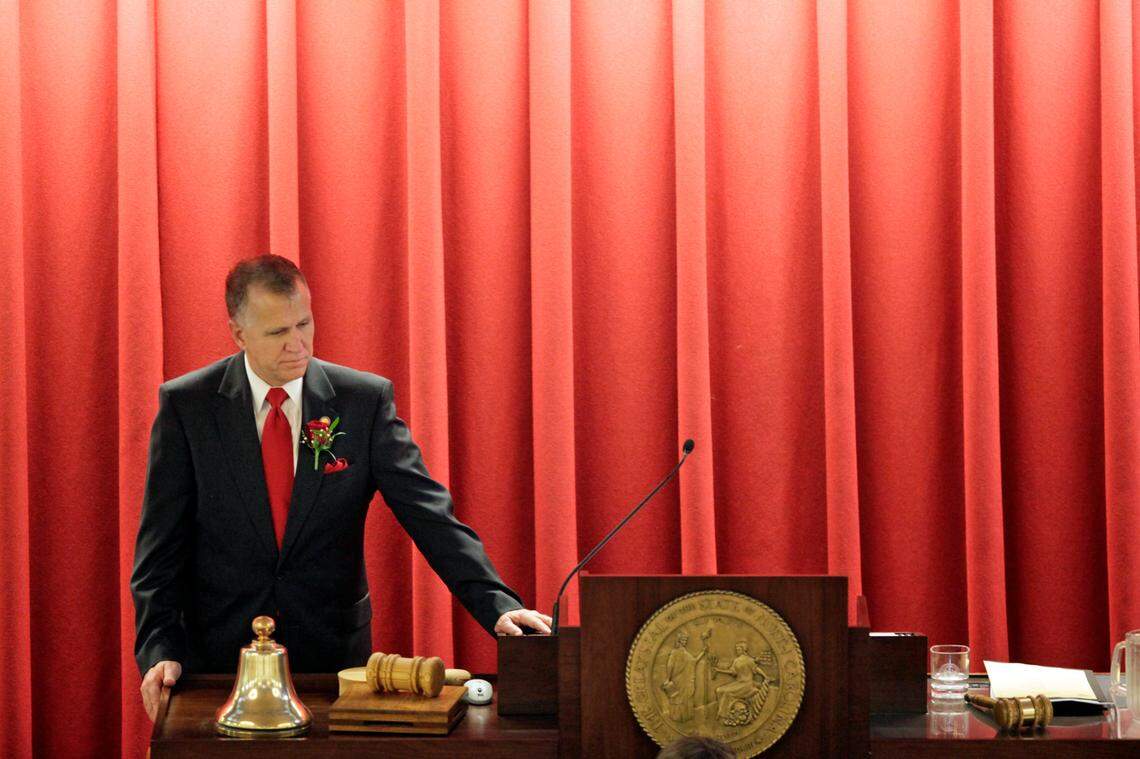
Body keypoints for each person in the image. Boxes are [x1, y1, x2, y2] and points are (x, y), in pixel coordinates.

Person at [131, 255, 551, 721]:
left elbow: (430, 516)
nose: (297, 344)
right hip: (216, 658)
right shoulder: (187, 406)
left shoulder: (362, 402)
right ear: (238, 334)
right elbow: (159, 551)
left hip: (330, 655)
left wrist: (496, 604)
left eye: (304, 324)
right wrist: (159, 648)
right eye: (277, 333)